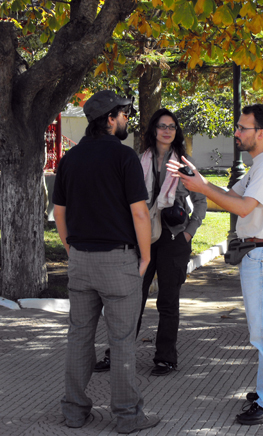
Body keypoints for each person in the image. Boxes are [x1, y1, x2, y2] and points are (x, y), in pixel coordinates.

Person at [167, 104, 263, 426]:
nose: (236, 133)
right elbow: (229, 197)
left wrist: (203, 188)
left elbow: (244, 208)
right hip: (256, 254)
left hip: (262, 254)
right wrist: (200, 182)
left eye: (242, 128)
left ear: (260, 133)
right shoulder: (258, 165)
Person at [52, 90, 160, 434]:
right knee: (122, 340)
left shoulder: (70, 159)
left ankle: (74, 412)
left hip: (81, 261)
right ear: (110, 118)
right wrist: (145, 257)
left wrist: (71, 249)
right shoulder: (124, 157)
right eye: (124, 114)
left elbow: (59, 212)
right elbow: (140, 213)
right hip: (118, 261)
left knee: (79, 337)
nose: (127, 118)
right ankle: (128, 417)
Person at [95, 108, 207, 377]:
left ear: (176, 131)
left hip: (173, 238)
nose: (167, 131)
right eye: (162, 126)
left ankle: (165, 358)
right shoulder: (137, 161)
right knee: (132, 299)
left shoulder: (184, 162)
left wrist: (188, 232)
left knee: (168, 301)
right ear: (153, 130)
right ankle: (117, 353)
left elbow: (201, 200)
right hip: (141, 237)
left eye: (171, 126)